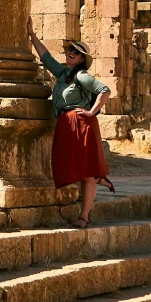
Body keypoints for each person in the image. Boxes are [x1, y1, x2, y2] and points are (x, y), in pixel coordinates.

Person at [27, 18, 113, 223]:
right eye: (69, 50)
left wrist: (92, 112)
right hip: (66, 124)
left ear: (82, 59)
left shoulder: (81, 76)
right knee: (68, 165)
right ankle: (99, 177)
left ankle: (84, 216)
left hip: (81, 124)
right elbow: (45, 57)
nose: (70, 53)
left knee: (85, 173)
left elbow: (105, 90)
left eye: (75, 52)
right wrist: (31, 35)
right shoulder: (63, 73)